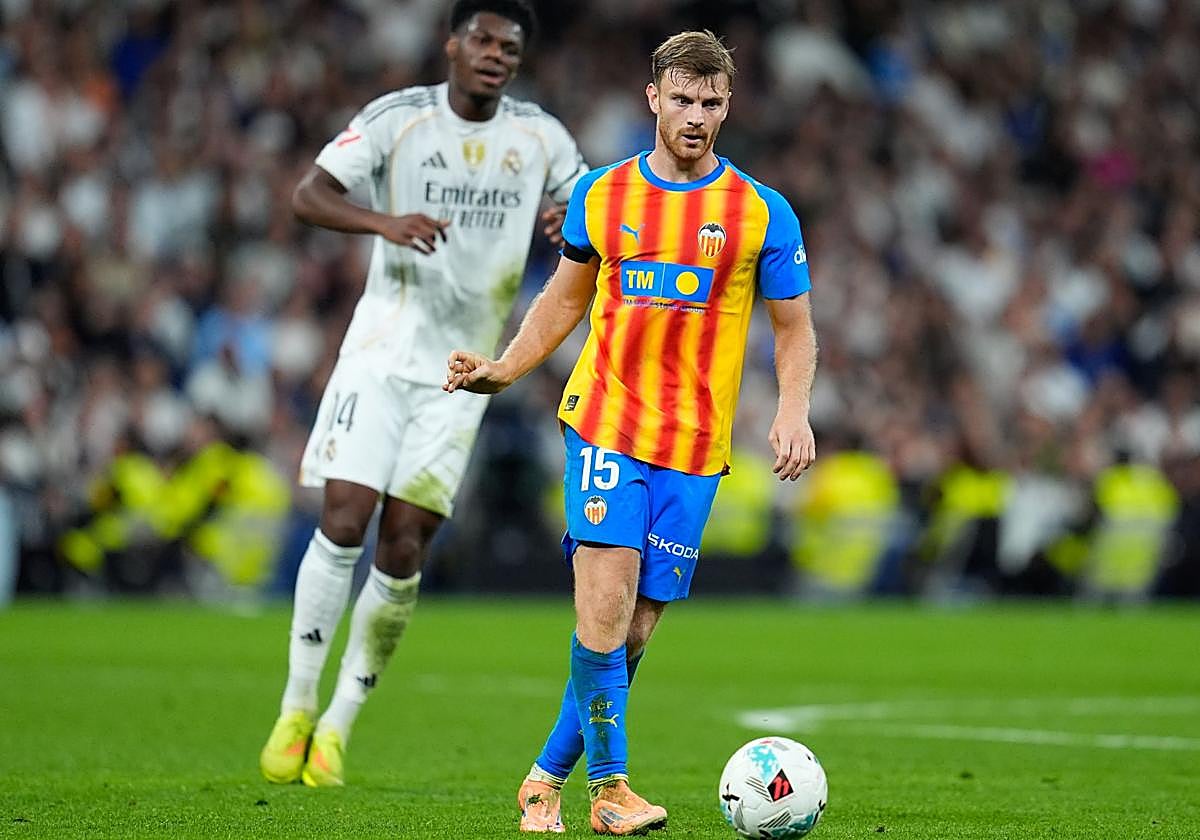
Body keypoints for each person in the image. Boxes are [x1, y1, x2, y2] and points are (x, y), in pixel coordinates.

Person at [445, 30, 817, 836]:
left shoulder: (760, 212)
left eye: (710, 102)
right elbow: (565, 298)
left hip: (695, 447)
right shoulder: (602, 196)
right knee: (604, 608)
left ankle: (542, 778)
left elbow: (793, 327)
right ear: (653, 98)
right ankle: (610, 793)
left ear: (729, 105)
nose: (695, 116)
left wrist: (792, 410)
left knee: (633, 631)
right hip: (607, 426)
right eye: (681, 99)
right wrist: (507, 367)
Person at [259, 0, 587, 788]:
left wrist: (565, 219)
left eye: (508, 47)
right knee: (343, 520)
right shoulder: (398, 119)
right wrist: (384, 222)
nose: (494, 54)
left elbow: (594, 215)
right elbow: (307, 194)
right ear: (451, 44)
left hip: (465, 370)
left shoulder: (541, 139)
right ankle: (296, 708)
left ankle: (337, 726)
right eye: (481, 39)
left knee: (404, 545)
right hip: (380, 353)